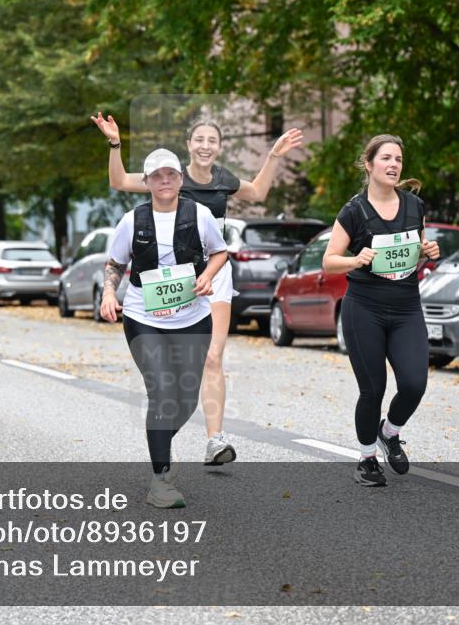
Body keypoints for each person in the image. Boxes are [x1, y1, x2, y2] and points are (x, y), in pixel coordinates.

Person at [92, 112, 303, 466]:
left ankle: (214, 440)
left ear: (219, 147)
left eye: (212, 140)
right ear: (189, 145)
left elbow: (257, 191)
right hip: (167, 278)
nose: (206, 146)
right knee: (171, 382)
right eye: (199, 140)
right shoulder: (169, 176)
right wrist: (115, 144)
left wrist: (274, 156)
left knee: (212, 356)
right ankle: (162, 436)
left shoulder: (223, 179)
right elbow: (119, 181)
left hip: (212, 271)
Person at [100, 148, 229, 508]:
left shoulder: (199, 215)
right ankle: (161, 479)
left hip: (192, 317)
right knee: (161, 391)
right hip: (143, 318)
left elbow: (220, 252)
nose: (165, 180)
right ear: (147, 182)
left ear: (181, 179)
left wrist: (207, 275)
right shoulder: (132, 221)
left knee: (185, 399)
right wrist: (109, 293)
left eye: (171, 174)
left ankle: (159, 440)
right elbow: (115, 263)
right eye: (157, 175)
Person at [323, 134, 440, 487]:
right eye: (386, 158)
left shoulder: (414, 206)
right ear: (369, 164)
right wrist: (355, 259)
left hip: (406, 306)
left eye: (398, 160)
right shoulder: (354, 210)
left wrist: (427, 251)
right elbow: (329, 261)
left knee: (415, 384)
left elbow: (414, 253)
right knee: (373, 389)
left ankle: (389, 432)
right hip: (365, 307)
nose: (393, 165)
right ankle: (366, 460)